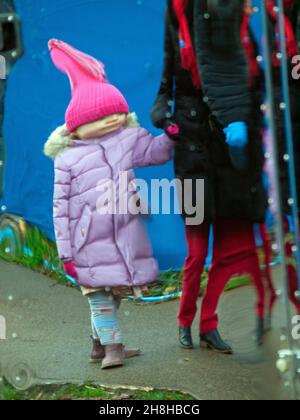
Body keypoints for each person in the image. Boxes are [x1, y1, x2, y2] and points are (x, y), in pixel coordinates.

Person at [44, 39, 177, 369]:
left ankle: (98, 345)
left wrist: (171, 135)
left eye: (118, 114)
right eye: (103, 118)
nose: (113, 121)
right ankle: (113, 348)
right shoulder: (67, 159)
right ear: (79, 125)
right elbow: (60, 209)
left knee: (111, 294)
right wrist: (66, 253)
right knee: (99, 296)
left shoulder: (125, 141)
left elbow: (154, 154)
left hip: (122, 237)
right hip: (86, 240)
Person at [151, 0, 267, 353]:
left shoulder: (233, 16)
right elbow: (168, 70)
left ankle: (208, 325)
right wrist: (161, 107)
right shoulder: (175, 12)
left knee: (228, 250)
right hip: (191, 152)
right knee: (197, 251)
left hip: (227, 150)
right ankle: (184, 321)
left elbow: (253, 73)